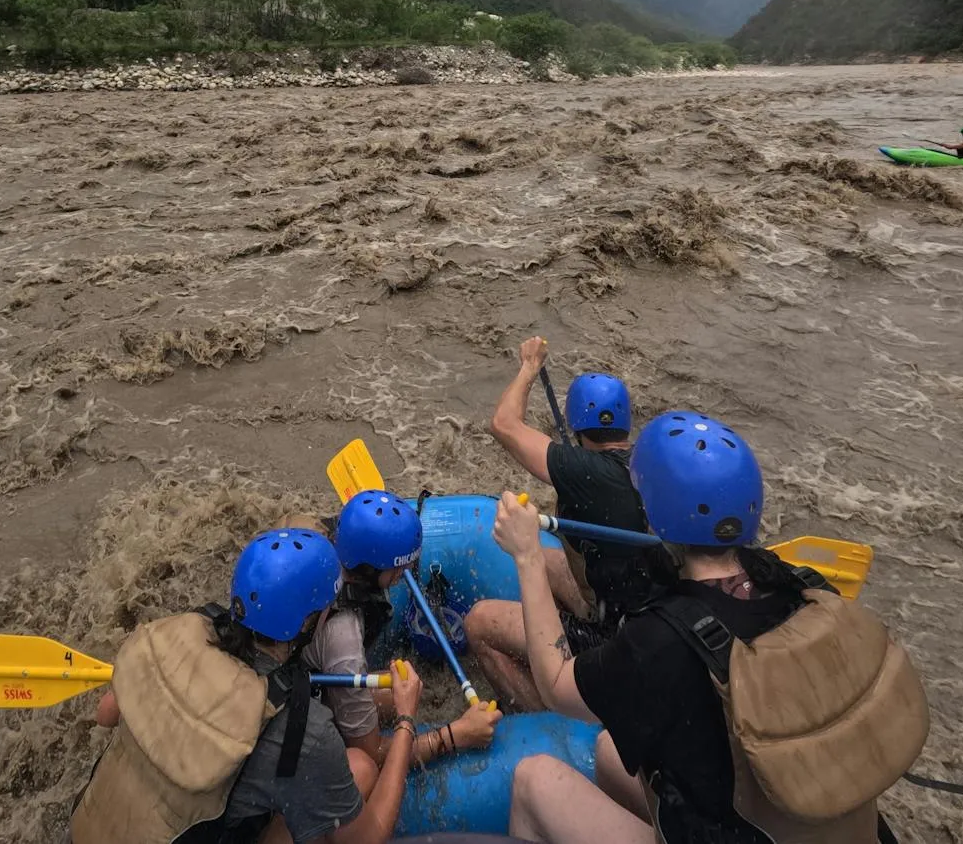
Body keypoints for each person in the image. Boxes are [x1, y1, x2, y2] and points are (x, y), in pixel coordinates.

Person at [491, 413, 929, 844]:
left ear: (654, 515)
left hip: (747, 828)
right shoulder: (807, 588)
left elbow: (553, 682)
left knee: (534, 780)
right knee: (610, 754)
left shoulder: (659, 642)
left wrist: (527, 554)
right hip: (826, 824)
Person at [70, 525, 426, 844]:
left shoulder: (172, 633)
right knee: (360, 768)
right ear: (308, 624)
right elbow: (368, 836)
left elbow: (105, 714)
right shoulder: (304, 731)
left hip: (84, 829)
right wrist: (406, 719)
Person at [465, 336, 650, 711]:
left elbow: (503, 423)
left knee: (479, 622)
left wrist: (530, 366)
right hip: (634, 609)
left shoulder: (585, 471)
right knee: (551, 565)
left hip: (616, 639)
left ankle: (551, 714)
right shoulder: (644, 464)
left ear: (577, 426)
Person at [308, 489, 501, 764]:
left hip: (314, 670)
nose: (406, 570)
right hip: (307, 705)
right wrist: (454, 735)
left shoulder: (326, 550)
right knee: (365, 758)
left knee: (397, 692)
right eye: (399, 567)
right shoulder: (344, 638)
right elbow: (369, 753)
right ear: (372, 569)